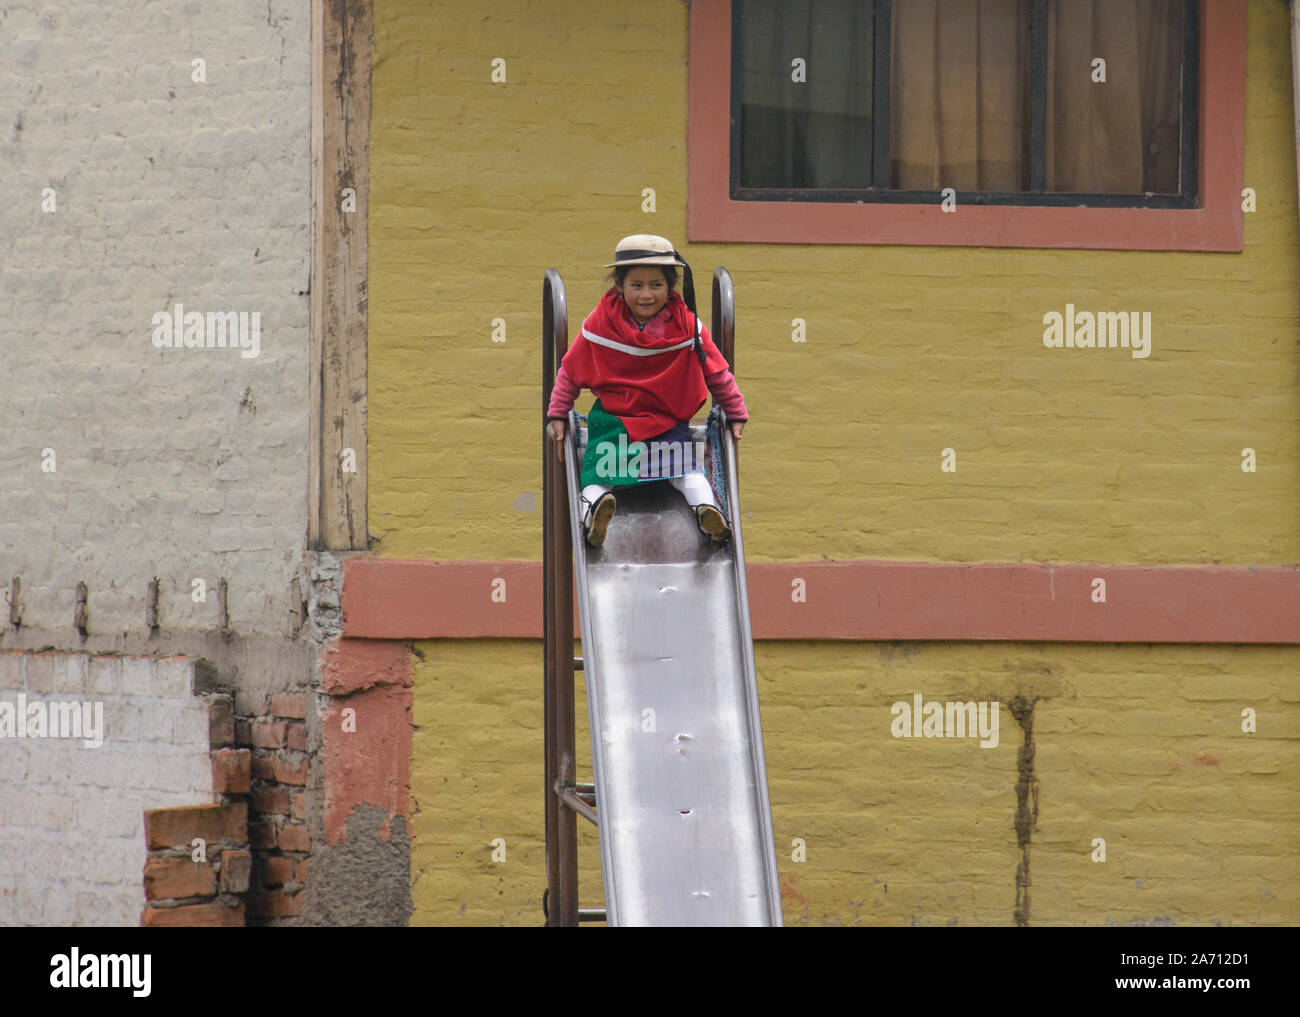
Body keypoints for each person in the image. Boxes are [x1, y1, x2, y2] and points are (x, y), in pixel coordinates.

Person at [547, 234, 748, 547]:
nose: (646, 294)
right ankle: (598, 513)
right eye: (636, 285)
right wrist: (558, 413)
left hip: (658, 424)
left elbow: (718, 373)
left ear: (670, 288)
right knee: (671, 474)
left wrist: (735, 412)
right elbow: (570, 373)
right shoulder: (600, 325)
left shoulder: (688, 327)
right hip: (623, 424)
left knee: (611, 476)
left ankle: (707, 511)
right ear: (619, 285)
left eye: (656, 284)